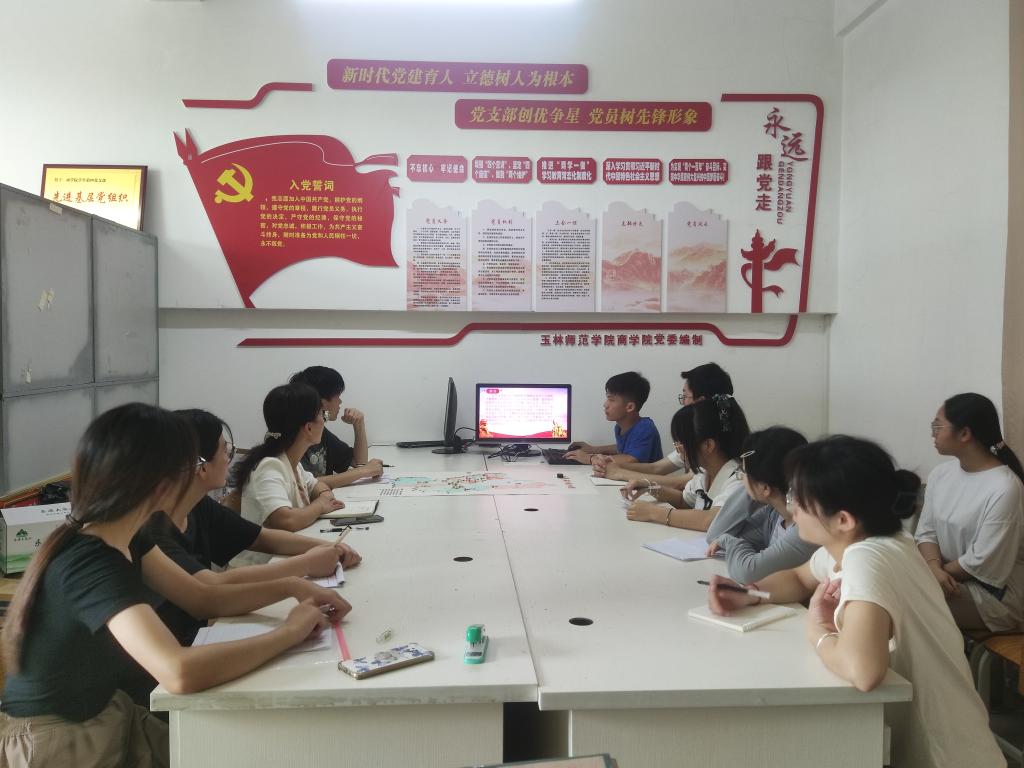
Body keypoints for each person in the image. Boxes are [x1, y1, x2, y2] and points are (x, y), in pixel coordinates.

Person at [0, 404, 349, 767]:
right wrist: (289, 633)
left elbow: (203, 597)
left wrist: (292, 586)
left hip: (104, 717)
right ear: (163, 482)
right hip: (57, 742)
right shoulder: (91, 560)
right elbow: (178, 671)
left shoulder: (128, 535)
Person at [706, 435, 1005, 768]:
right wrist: (749, 592)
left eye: (800, 499)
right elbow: (800, 578)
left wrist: (819, 633)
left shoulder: (868, 558)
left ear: (843, 520)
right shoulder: (877, 540)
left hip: (944, 753)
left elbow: (863, 671)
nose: (793, 508)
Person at [144, 408, 362, 645]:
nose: (229, 458)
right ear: (201, 467)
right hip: (180, 645)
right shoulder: (153, 531)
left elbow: (261, 537)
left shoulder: (197, 506)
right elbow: (209, 588)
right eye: (225, 450)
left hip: (202, 632)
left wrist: (329, 547)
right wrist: (304, 567)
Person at [916, 393, 1024, 631]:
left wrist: (934, 574)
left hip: (992, 595)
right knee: (898, 593)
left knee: (907, 603)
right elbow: (926, 532)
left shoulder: (1005, 487)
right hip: (946, 578)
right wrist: (933, 569)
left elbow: (979, 562)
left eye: (937, 426)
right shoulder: (940, 474)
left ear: (965, 434)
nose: (932, 433)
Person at [233, 383, 349, 541]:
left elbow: (317, 485)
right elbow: (286, 521)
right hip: (268, 556)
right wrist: (320, 505)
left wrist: (324, 495)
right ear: (308, 427)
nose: (324, 421)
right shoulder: (268, 467)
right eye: (322, 415)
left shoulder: (292, 464)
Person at [705, 427, 818, 582]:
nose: (741, 479)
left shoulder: (805, 528)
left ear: (765, 487)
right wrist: (755, 486)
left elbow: (748, 572)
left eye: (744, 473)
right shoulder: (774, 513)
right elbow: (715, 536)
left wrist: (728, 541)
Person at [593, 362, 734, 483]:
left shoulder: (713, 446)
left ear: (701, 402)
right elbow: (656, 468)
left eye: (685, 396)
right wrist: (611, 464)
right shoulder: (697, 435)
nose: (682, 403)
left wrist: (620, 473)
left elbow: (680, 483)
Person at [622, 396, 748, 530]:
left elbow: (711, 520)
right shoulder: (704, 472)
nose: (677, 449)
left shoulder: (740, 479)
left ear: (708, 445)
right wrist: (650, 487)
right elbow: (684, 501)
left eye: (680, 443)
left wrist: (653, 512)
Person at [289, 366, 384, 488]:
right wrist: (363, 471)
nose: (340, 402)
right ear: (320, 401)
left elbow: (359, 462)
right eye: (337, 396)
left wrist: (358, 424)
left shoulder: (319, 430)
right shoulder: (291, 436)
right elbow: (304, 484)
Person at [564, 372, 663, 465]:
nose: (605, 404)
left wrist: (590, 458)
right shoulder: (620, 427)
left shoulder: (645, 428)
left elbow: (631, 459)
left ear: (630, 407)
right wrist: (592, 449)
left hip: (647, 478)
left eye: (611, 400)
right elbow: (622, 448)